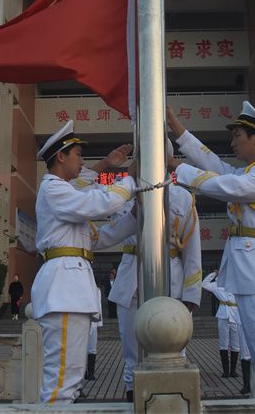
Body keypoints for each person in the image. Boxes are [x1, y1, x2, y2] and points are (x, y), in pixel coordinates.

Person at [167, 101, 255, 399]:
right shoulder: (252, 172)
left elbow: (225, 184)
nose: (233, 142)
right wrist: (175, 125)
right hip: (253, 273)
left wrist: (178, 167)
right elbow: (214, 164)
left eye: (237, 136)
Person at [32, 121, 139, 404]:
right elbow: (97, 203)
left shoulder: (65, 193)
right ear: (61, 156)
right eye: (78, 154)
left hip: (71, 287)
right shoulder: (55, 190)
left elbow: (100, 238)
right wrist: (129, 178)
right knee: (62, 384)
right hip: (63, 289)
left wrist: (135, 217)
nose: (82, 160)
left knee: (70, 379)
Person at [106, 139, 202, 402]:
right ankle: (132, 396)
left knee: (173, 346)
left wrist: (191, 296)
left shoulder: (182, 195)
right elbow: (111, 227)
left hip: (170, 278)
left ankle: (172, 400)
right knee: (131, 351)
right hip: (130, 279)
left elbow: (192, 250)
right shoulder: (124, 191)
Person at [202, 271, 241, 380]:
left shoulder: (238, 283)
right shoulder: (217, 284)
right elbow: (204, 284)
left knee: (236, 344)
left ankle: (233, 371)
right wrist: (214, 274)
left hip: (236, 314)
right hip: (223, 315)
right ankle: (225, 371)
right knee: (224, 344)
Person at [85, 287, 103, 381]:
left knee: (92, 348)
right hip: (82, 321)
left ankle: (91, 372)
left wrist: (99, 323)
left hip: (93, 322)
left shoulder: (96, 290)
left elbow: (98, 306)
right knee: (81, 348)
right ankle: (83, 372)